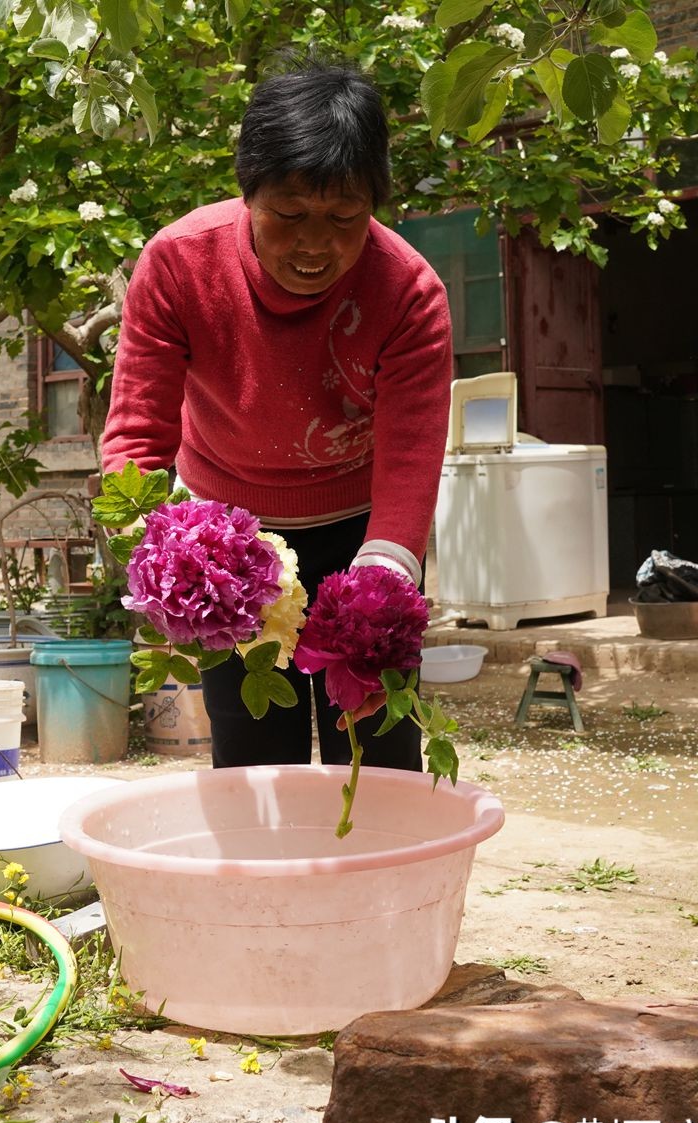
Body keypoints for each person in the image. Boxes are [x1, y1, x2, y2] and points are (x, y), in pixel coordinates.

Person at [99, 53, 452, 772]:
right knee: (255, 754)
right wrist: (169, 553)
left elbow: (412, 452)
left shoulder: (409, 290)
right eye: (288, 214)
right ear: (248, 195)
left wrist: (386, 571)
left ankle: (379, 882)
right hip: (229, 543)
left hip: (361, 532)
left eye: (344, 216)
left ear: (374, 206)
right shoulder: (178, 263)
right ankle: (266, 883)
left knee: (377, 750)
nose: (315, 243)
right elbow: (138, 434)